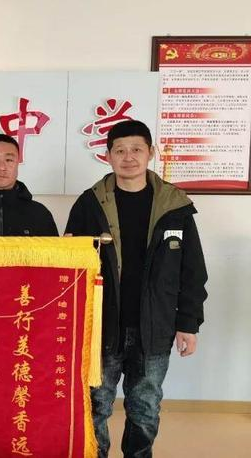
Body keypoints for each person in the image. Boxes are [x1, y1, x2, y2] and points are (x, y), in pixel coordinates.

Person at [64, 120, 208, 457]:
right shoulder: (89, 204)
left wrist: (188, 324)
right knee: (94, 405)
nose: (128, 157)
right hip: (100, 326)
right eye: (120, 150)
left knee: (145, 407)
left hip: (154, 327)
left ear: (150, 152)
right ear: (107, 156)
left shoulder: (175, 207)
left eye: (136, 150)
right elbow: (69, 265)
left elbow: (192, 271)